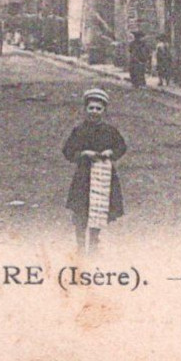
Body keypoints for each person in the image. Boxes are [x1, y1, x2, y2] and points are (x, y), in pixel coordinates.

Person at [63, 88, 127, 254]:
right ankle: (80, 244)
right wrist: (84, 153)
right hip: (84, 176)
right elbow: (68, 151)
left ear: (104, 111)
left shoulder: (110, 131)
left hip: (104, 175)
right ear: (85, 109)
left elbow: (121, 146)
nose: (94, 112)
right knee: (81, 211)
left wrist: (110, 153)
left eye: (98, 109)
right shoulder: (79, 130)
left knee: (99, 209)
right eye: (91, 108)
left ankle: (93, 242)